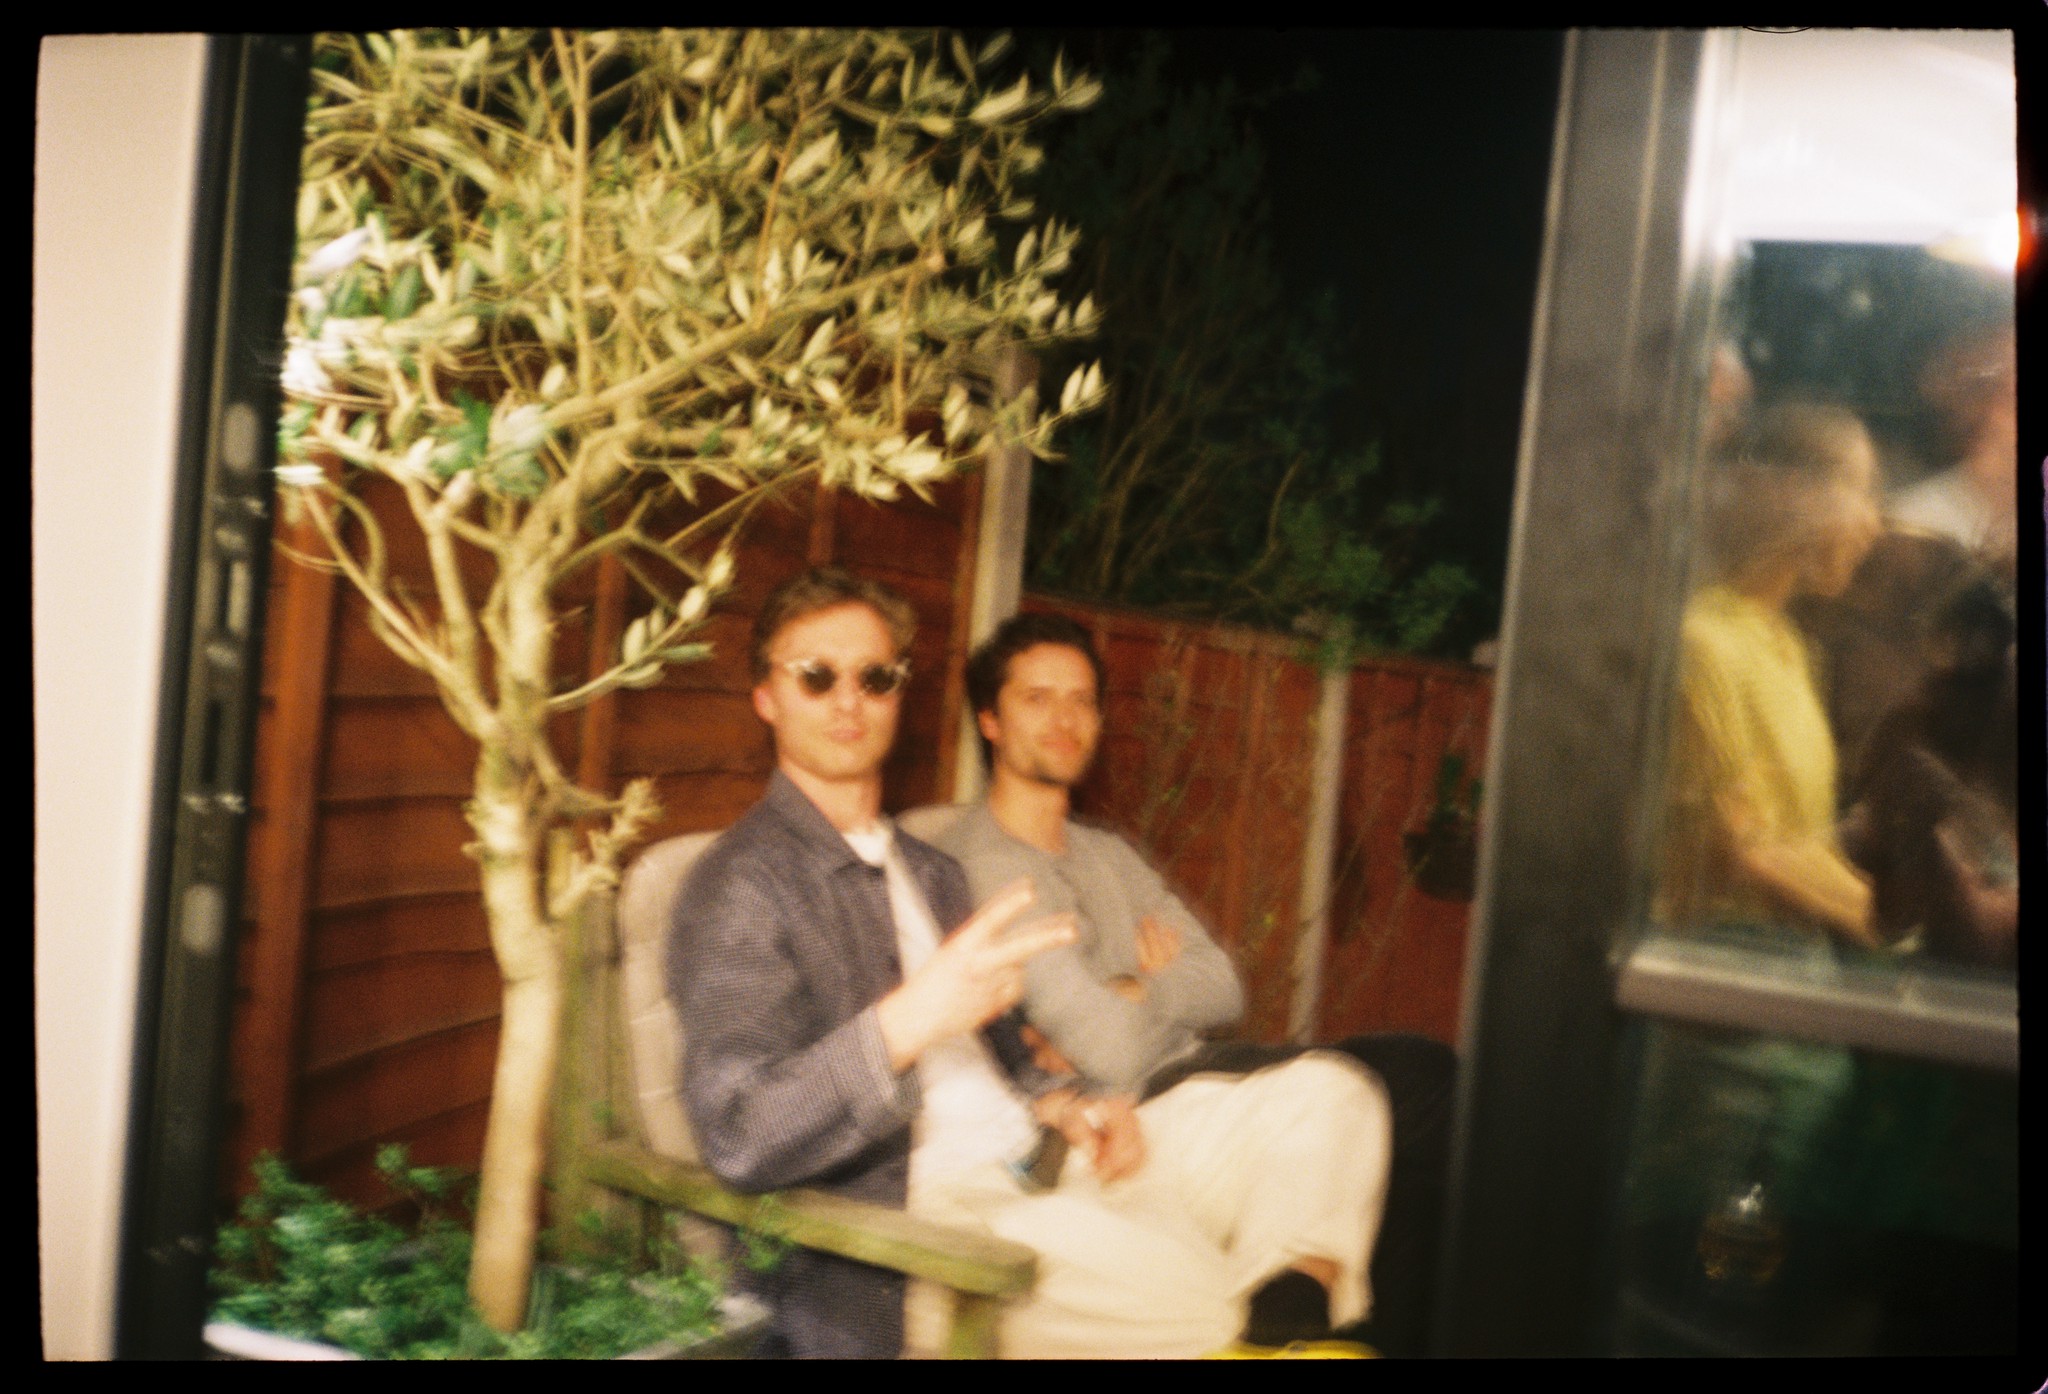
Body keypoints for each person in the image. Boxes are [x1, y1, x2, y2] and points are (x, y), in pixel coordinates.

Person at [666, 566, 1389, 1358]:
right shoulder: (740, 885)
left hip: (1048, 1163)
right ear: (767, 697)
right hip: (924, 1221)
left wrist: (1069, 1105)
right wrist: (908, 1020)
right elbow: (739, 1133)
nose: (848, 701)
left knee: (1330, 1098)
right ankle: (1264, 1331)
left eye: (874, 678)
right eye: (816, 676)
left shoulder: (929, 870)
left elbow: (1007, 1056)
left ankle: (1282, 1318)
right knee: (1207, 1307)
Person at [931, 610, 1457, 1357]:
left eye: (1081, 700)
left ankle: (1331, 1327)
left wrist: (1137, 989)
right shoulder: (983, 865)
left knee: (1416, 1076)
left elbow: (1224, 987)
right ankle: (1334, 1335)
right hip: (1132, 1104)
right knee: (1415, 1084)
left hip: (1190, 1071)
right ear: (990, 720)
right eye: (1037, 699)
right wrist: (1148, 981)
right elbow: (1110, 1050)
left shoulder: (1107, 854)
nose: (1064, 720)